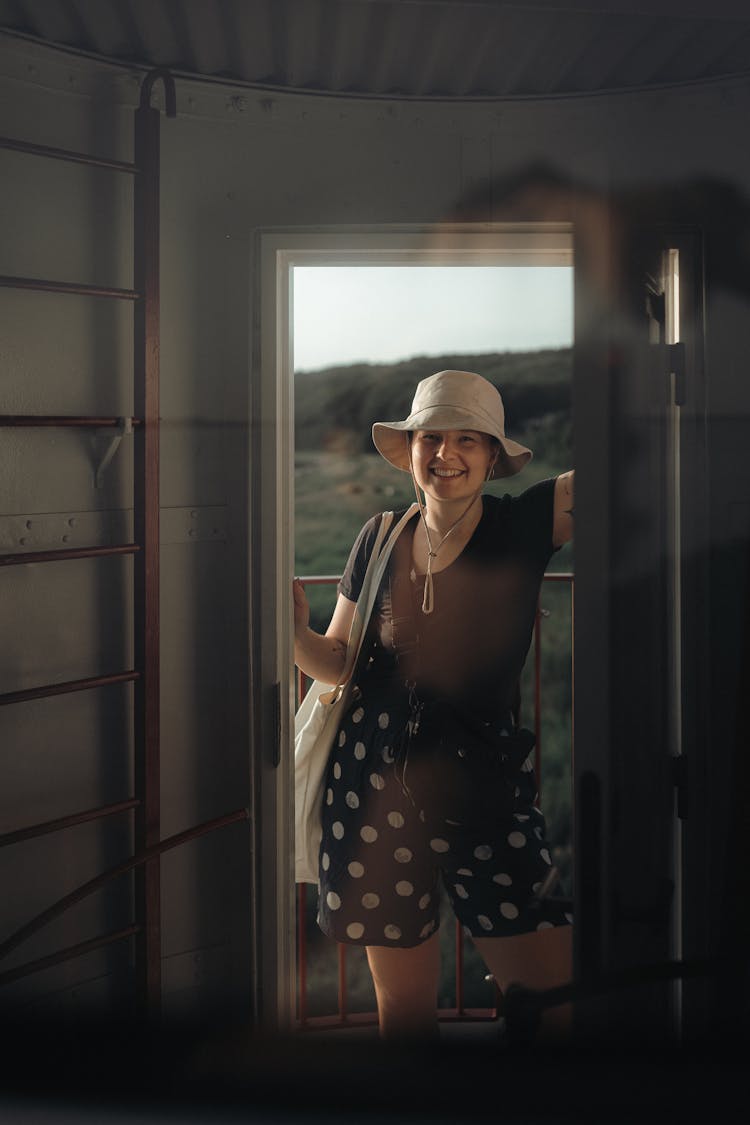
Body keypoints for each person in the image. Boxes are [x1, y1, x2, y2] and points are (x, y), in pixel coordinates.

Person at [293, 369, 574, 1043]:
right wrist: (294, 632)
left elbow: (633, 459)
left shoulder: (525, 522)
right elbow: (340, 660)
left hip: (484, 789)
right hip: (371, 790)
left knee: (553, 1001)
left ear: (493, 455)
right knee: (404, 1012)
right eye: (432, 437)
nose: (446, 453)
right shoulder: (378, 536)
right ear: (411, 448)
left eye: (468, 439)